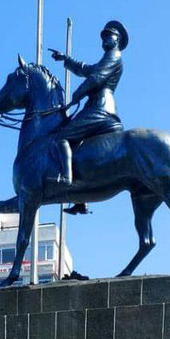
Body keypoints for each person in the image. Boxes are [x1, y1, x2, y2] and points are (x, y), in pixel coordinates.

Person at [50, 20, 128, 214]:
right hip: (98, 108)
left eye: (108, 35)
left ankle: (67, 181)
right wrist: (65, 59)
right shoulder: (107, 57)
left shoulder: (115, 56)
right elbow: (86, 69)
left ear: (117, 39)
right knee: (80, 146)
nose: (104, 38)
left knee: (61, 137)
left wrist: (75, 96)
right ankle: (81, 200)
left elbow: (95, 79)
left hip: (100, 109)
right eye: (103, 35)